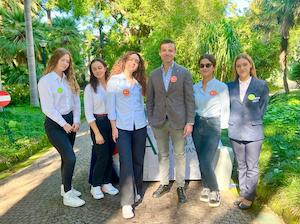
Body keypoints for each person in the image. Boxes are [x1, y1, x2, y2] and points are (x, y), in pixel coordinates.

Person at [146, 39, 195, 203]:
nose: (167, 52)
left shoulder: (184, 72)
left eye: (170, 50)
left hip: (179, 121)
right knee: (163, 155)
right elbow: (150, 100)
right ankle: (164, 183)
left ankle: (180, 186)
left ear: (174, 53)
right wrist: (151, 119)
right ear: (160, 53)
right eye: (164, 50)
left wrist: (190, 122)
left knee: (180, 155)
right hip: (159, 121)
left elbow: (190, 100)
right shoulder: (153, 74)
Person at [38, 48, 85, 207]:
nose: (65, 63)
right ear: (55, 59)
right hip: (55, 124)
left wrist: (77, 121)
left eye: (68, 61)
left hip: (70, 122)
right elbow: (47, 108)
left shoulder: (69, 80)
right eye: (63, 60)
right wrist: (63, 124)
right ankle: (67, 195)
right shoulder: (46, 81)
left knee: (66, 158)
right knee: (71, 157)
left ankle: (66, 188)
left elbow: (76, 102)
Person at [106, 51, 147, 219]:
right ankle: (126, 203)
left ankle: (136, 190)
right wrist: (114, 128)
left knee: (138, 160)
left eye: (136, 61)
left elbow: (141, 105)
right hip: (122, 128)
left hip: (140, 127)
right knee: (126, 163)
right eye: (131, 59)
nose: (133, 63)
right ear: (124, 61)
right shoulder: (114, 82)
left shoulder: (138, 84)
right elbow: (111, 107)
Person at [227, 53, 269, 210]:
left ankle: (249, 197)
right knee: (241, 165)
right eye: (238, 66)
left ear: (250, 66)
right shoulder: (230, 87)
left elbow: (262, 108)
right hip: (235, 131)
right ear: (235, 69)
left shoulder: (261, 85)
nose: (242, 68)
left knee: (252, 166)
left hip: (254, 133)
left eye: (245, 64)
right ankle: (243, 193)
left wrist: (253, 120)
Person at [192, 54, 230, 207]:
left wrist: (222, 128)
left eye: (208, 65)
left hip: (213, 125)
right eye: (202, 65)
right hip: (197, 123)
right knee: (201, 160)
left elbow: (225, 107)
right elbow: (192, 107)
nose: (205, 68)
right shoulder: (194, 87)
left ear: (213, 67)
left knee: (206, 160)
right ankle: (206, 187)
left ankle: (215, 190)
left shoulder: (221, 87)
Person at [84, 58, 119, 200]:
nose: (97, 70)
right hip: (97, 123)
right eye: (94, 69)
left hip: (112, 122)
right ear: (92, 72)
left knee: (109, 154)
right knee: (101, 156)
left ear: (105, 68)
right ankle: (95, 185)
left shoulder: (112, 85)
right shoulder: (89, 88)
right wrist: (97, 133)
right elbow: (88, 113)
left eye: (100, 67)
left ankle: (106, 183)